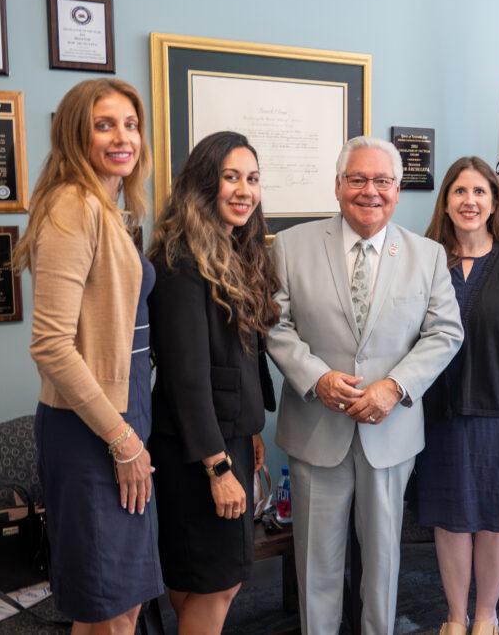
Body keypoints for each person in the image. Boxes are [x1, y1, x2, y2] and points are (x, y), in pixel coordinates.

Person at [267, 136, 464, 635]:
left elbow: (445, 332)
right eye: (357, 179)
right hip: (317, 428)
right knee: (317, 566)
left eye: (382, 181)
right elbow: (274, 325)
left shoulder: (428, 255)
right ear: (337, 186)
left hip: (390, 431)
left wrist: (394, 386)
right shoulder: (290, 246)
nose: (369, 191)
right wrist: (317, 378)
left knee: (382, 563)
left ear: (397, 191)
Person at [14, 78, 163, 632]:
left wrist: (132, 430)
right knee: (109, 603)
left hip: (124, 414)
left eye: (131, 124)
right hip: (91, 427)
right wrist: (121, 438)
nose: (123, 137)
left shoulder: (106, 205)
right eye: (105, 124)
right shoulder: (72, 206)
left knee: (122, 601)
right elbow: (50, 346)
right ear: (76, 133)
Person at [146, 131, 279, 634]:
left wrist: (249, 429)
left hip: (225, 438)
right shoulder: (181, 260)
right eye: (231, 178)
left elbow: (238, 360)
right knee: (215, 582)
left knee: (200, 579)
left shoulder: (231, 250)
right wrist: (218, 465)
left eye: (252, 178)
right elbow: (186, 377)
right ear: (204, 183)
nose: (244, 190)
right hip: (198, 449)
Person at [417, 157, 499, 635]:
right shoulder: (426, 256)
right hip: (440, 415)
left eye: (480, 191)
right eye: (459, 191)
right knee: (451, 521)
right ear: (446, 202)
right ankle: (455, 616)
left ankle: (486, 617)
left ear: (495, 201)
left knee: (495, 521)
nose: (469, 201)